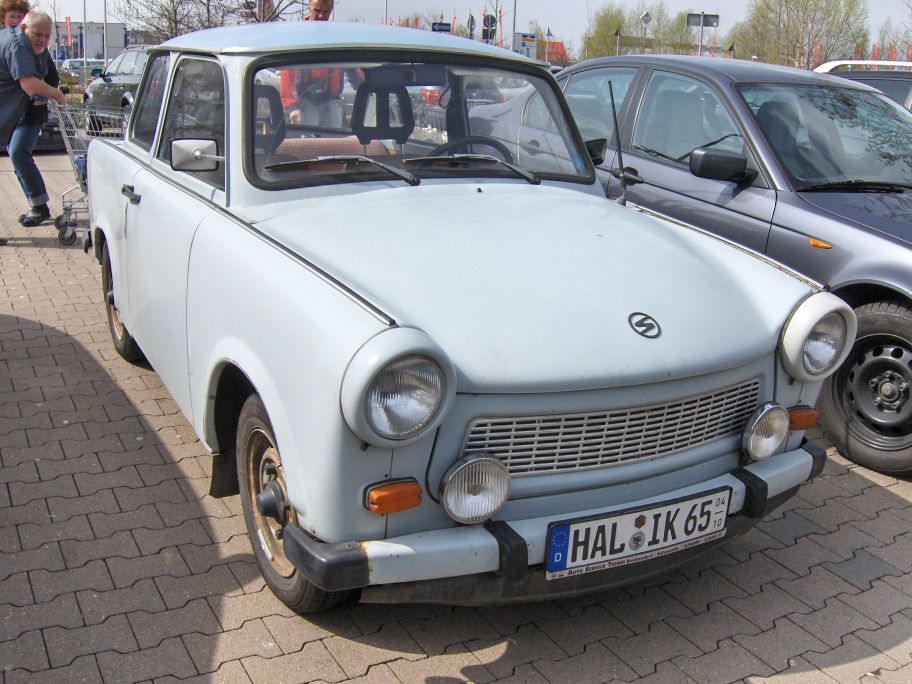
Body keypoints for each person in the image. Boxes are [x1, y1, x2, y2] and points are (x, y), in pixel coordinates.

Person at [0, 8, 65, 245]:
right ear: (23, 28)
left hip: (25, 114)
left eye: (46, 36)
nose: (42, 40)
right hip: (12, 113)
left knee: (18, 153)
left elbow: (47, 77)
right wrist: (56, 94)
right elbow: (29, 84)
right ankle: (38, 205)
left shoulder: (28, 45)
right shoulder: (17, 45)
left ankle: (38, 205)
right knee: (17, 153)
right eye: (37, 34)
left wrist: (45, 92)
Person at [280, 0, 344, 127]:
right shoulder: (297, 37)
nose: (321, 16)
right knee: (309, 137)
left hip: (330, 100)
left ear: (331, 9)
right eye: (317, 11)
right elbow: (287, 73)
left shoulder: (337, 38)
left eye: (325, 12)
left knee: (337, 137)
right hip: (305, 101)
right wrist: (292, 106)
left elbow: (351, 68)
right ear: (309, 7)